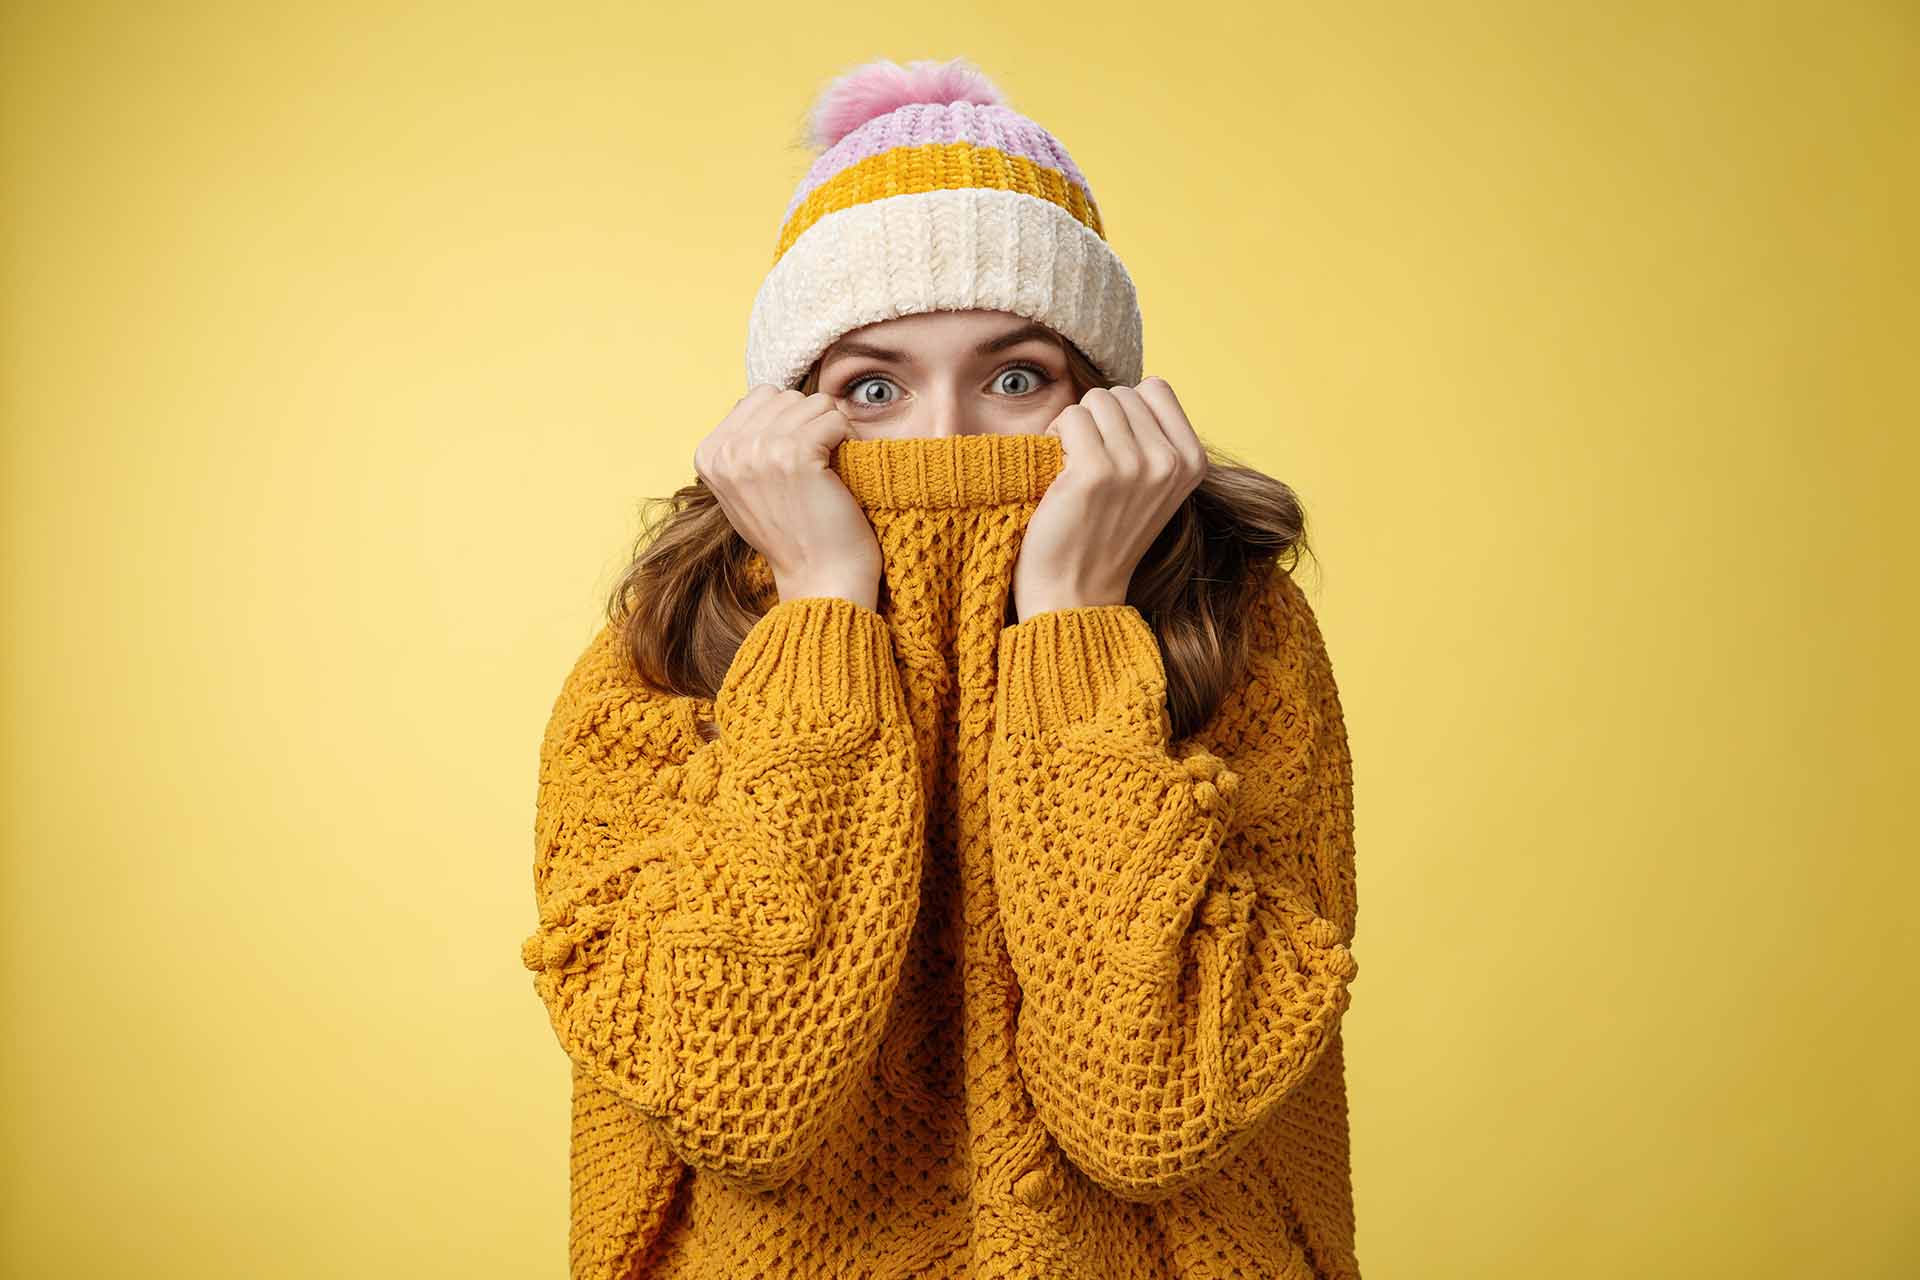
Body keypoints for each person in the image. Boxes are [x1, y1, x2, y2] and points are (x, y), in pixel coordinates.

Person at [520, 55, 1362, 1280]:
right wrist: (821, 614)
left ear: (1107, 406)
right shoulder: (668, 649)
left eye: (1016, 378)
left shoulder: (1232, 628)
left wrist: (1076, 626)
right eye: (873, 387)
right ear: (787, 415)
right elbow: (739, 1097)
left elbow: (1157, 1105)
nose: (947, 440)